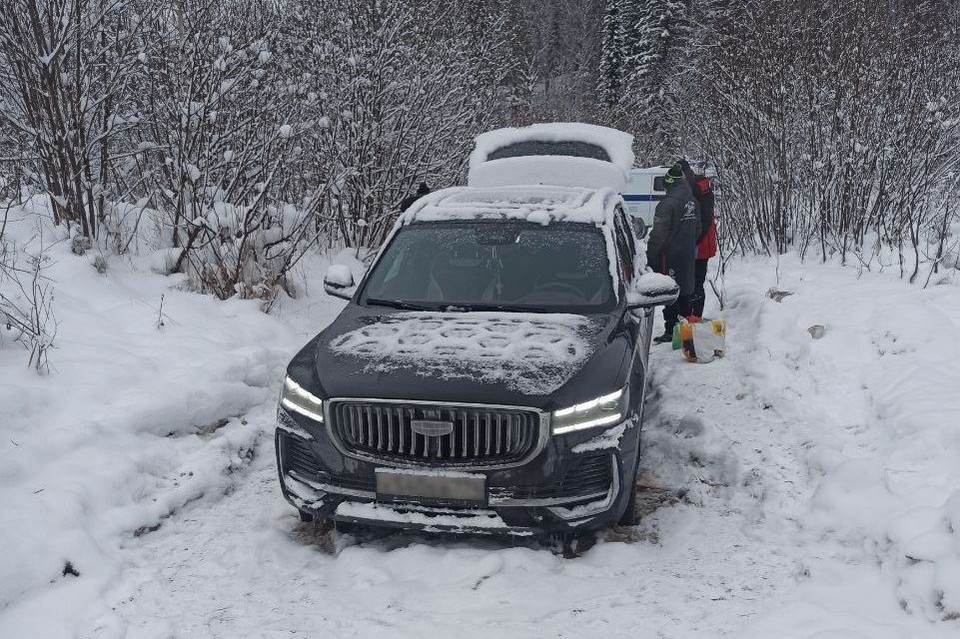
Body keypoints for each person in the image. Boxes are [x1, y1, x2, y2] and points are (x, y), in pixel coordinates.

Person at [646, 164, 700, 343]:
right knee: (685, 291)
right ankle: (685, 330)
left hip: (669, 256)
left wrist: (651, 257)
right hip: (688, 255)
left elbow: (658, 235)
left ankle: (671, 330)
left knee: (670, 292)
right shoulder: (693, 201)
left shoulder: (666, 204)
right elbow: (698, 229)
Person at [678, 159, 717, 318]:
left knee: (696, 282)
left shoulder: (702, 190)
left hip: (700, 245)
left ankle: (695, 318)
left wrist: (693, 239)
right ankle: (685, 317)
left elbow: (705, 220)